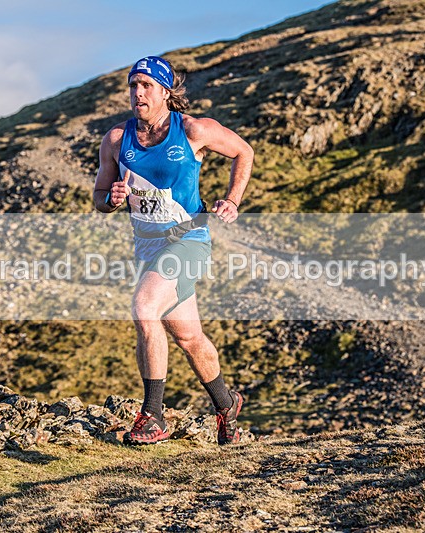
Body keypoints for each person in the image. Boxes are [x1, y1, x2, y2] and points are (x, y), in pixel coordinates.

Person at [92, 56, 254, 445]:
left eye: (147, 85)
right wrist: (111, 199)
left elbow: (243, 152)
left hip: (188, 239)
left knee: (144, 307)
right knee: (188, 337)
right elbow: (99, 197)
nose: (138, 93)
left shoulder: (194, 130)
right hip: (148, 247)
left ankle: (153, 416)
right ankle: (225, 402)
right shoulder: (117, 140)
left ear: (166, 91)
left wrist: (232, 199)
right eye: (133, 86)